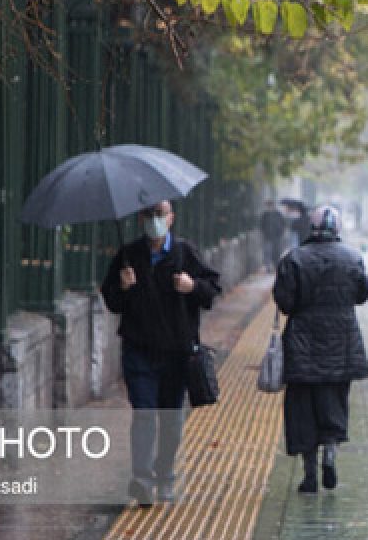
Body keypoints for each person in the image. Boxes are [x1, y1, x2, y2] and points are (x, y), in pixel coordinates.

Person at [100, 200, 221, 507]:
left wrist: (192, 286)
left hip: (177, 354)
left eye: (161, 215)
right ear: (141, 218)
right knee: (143, 414)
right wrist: (122, 287)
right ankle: (141, 479)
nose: (155, 220)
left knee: (171, 419)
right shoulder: (128, 255)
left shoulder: (185, 253)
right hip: (138, 351)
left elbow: (212, 291)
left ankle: (164, 474)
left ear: (171, 218)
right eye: (150, 215)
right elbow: (111, 300)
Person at [273, 205, 368, 493]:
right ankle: (330, 452)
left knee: (302, 407)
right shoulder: (353, 258)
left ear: (311, 227)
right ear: (338, 229)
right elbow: (363, 294)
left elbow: (286, 303)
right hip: (341, 344)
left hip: (302, 344)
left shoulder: (294, 259)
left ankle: (309, 475)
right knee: (334, 401)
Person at [258, 200, 286, 272]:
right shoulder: (265, 215)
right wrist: (264, 233)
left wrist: (281, 232)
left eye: (270, 205)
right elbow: (261, 225)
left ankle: (276, 266)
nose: (269, 207)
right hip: (267, 237)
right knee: (267, 252)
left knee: (276, 252)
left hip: (277, 237)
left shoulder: (278, 214)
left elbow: (283, 224)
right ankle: (268, 267)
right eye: (268, 205)